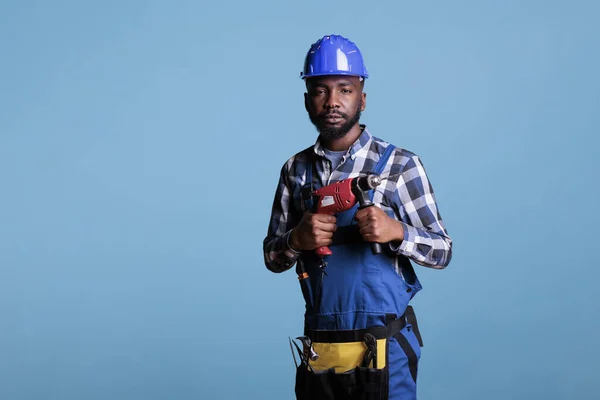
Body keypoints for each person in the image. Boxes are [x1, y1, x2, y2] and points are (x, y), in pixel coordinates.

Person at [262, 34, 453, 400]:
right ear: (307, 100)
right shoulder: (295, 170)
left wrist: (396, 230)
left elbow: (442, 251)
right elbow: (272, 257)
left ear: (362, 97)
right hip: (322, 348)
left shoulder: (400, 165)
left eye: (345, 89)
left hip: (383, 347)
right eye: (321, 90)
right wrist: (295, 241)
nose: (333, 101)